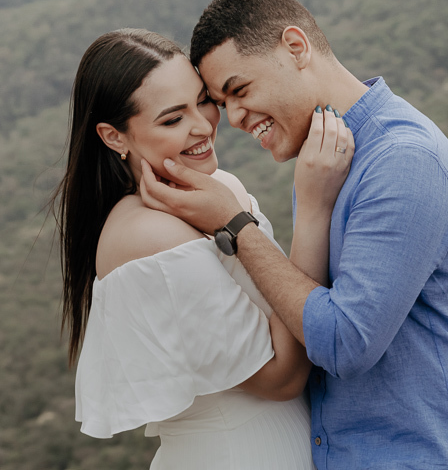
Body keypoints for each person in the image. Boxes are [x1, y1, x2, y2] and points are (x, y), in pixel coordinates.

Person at [141, 0, 448, 469]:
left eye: (239, 90)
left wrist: (236, 228)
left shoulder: (403, 162)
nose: (234, 117)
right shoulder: (324, 160)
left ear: (295, 47)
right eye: (222, 101)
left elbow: (345, 343)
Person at [54, 28, 352, 469]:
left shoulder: (216, 190)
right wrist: (312, 209)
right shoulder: (147, 239)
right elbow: (282, 378)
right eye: (172, 119)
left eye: (203, 101)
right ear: (115, 136)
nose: (204, 125)